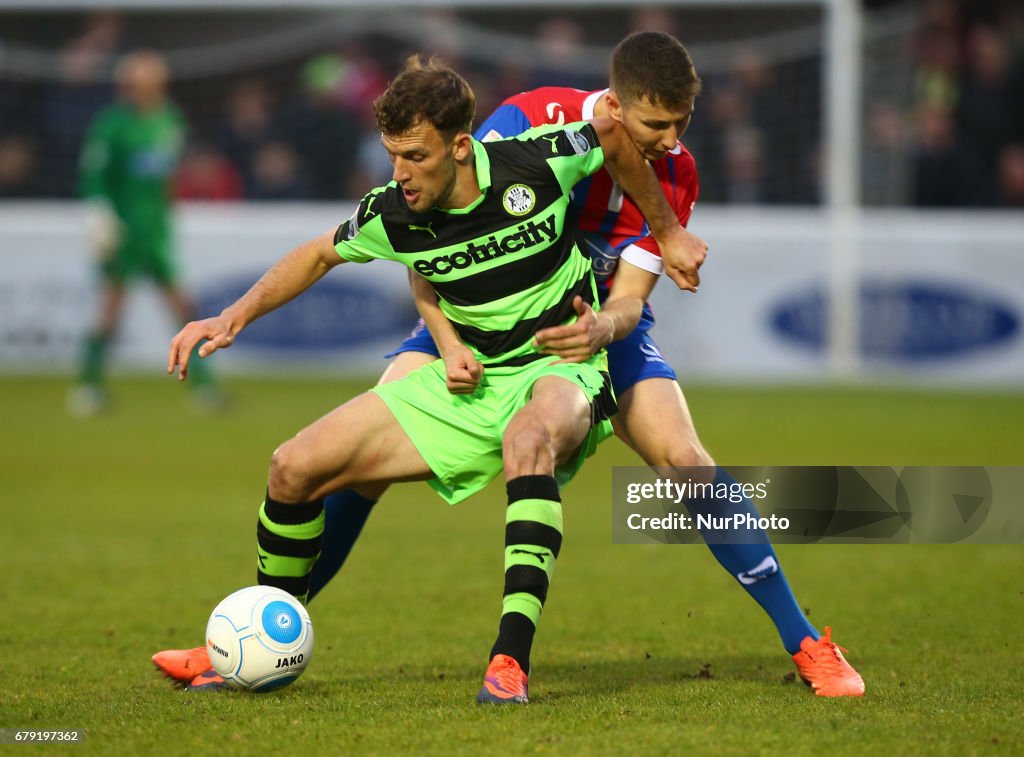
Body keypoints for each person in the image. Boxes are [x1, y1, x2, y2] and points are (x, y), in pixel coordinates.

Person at [156, 32, 864, 698]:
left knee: (686, 461)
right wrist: (447, 338)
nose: (671, 142)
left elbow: (628, 299)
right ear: (616, 111)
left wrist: (609, 316)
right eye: (656, 127)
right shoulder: (517, 128)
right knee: (340, 465)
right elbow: (429, 237)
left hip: (587, 319)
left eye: (681, 123)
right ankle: (250, 638)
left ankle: (804, 640)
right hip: (470, 317)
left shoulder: (672, 172)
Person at [68, 50, 222, 416]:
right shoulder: (112, 125)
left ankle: (204, 388)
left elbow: (168, 176)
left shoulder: (169, 120)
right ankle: (88, 386)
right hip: (124, 231)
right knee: (111, 311)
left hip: (156, 231)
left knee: (182, 306)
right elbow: (94, 174)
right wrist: (99, 213)